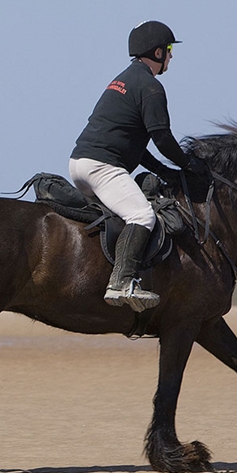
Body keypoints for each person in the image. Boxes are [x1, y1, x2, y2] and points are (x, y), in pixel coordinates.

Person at [69, 20, 208, 311]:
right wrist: (188, 164)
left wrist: (164, 171)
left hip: (80, 163)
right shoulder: (151, 87)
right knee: (142, 216)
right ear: (157, 53)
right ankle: (122, 281)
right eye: (169, 50)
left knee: (121, 215)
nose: (172, 56)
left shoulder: (122, 80)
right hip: (102, 168)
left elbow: (133, 143)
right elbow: (161, 136)